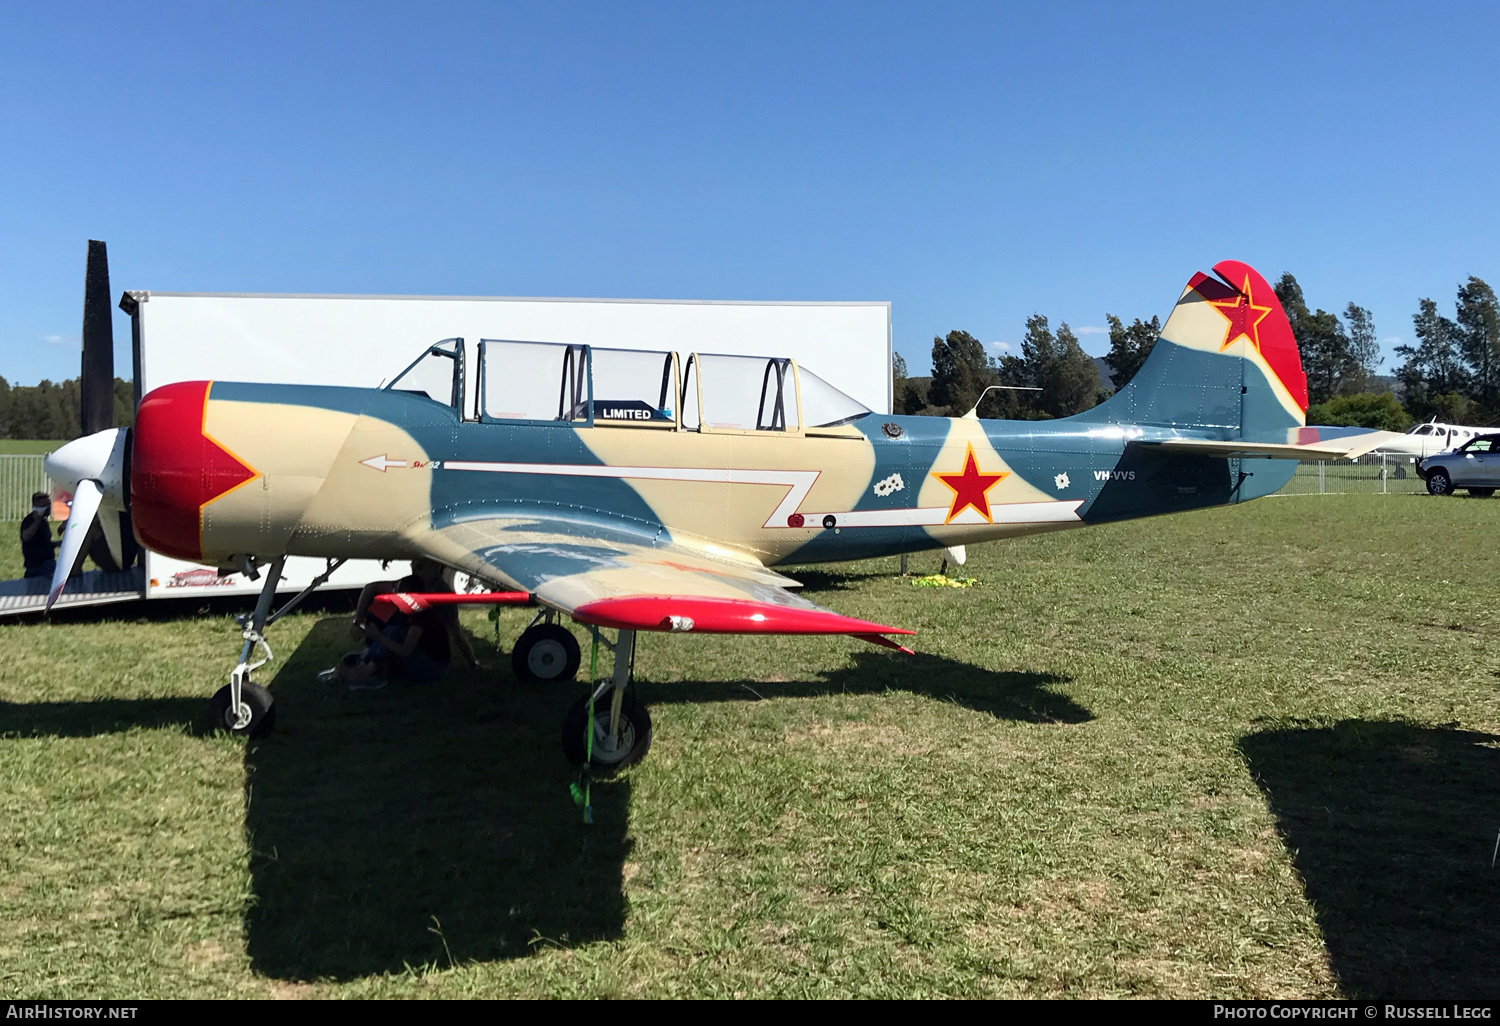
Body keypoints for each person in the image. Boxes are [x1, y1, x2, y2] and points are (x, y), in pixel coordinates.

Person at [336, 558, 483, 689]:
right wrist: (363, 626)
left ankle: (368, 672)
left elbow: (406, 649)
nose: (414, 568)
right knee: (389, 627)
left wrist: (377, 636)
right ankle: (367, 665)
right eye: (413, 564)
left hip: (433, 669)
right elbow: (372, 588)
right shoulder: (413, 592)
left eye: (419, 566)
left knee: (393, 633)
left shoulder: (424, 611)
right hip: (424, 654)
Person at [19, 492, 58, 580]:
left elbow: (42, 543)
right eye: (45, 505)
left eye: (49, 505)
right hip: (38, 567)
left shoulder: (44, 522)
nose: (49, 508)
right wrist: (37, 520)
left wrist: (56, 544)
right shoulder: (29, 521)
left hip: (46, 564)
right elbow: (26, 537)